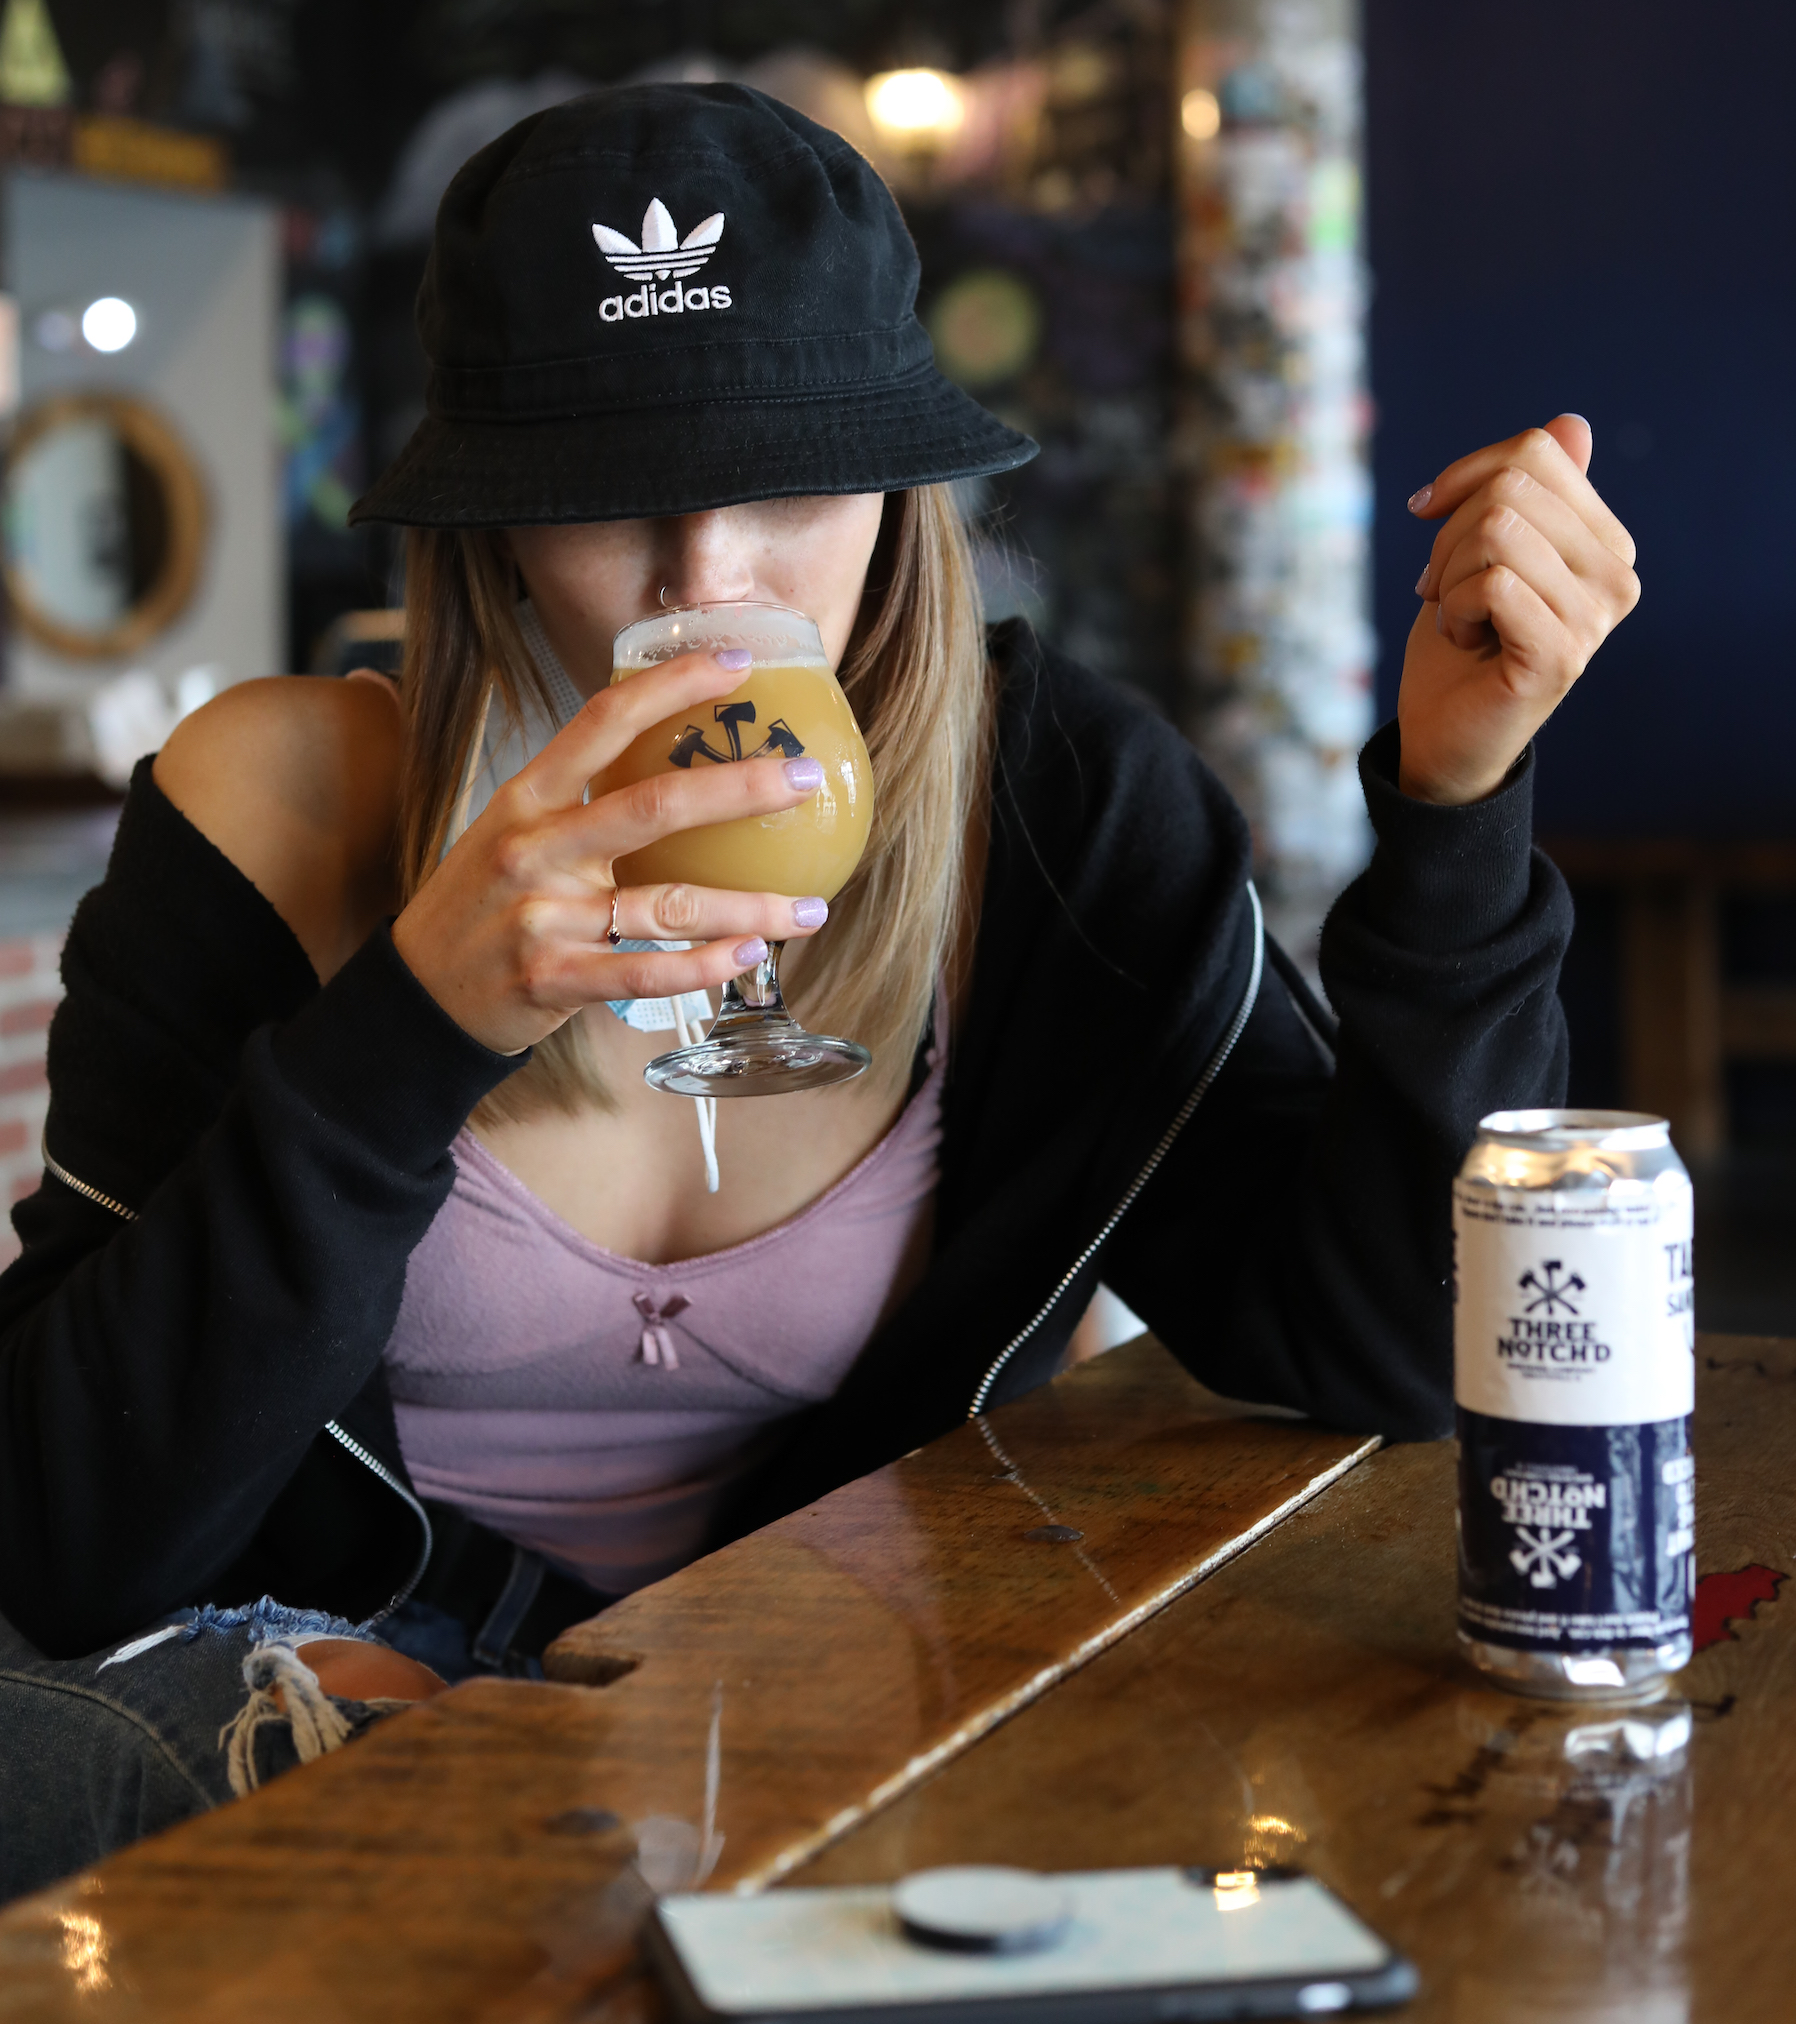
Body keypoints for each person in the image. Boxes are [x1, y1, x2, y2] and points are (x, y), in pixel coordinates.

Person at [0, 83, 1638, 1897]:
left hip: (830, 1720)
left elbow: (1391, 1347)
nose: (709, 588)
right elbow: (74, 1540)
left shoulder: (1060, 810)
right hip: (333, 1721)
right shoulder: (280, 806)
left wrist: (1463, 800)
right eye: (608, 500)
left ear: (892, 484)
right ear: (484, 529)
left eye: (785, 482)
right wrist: (414, 1025)